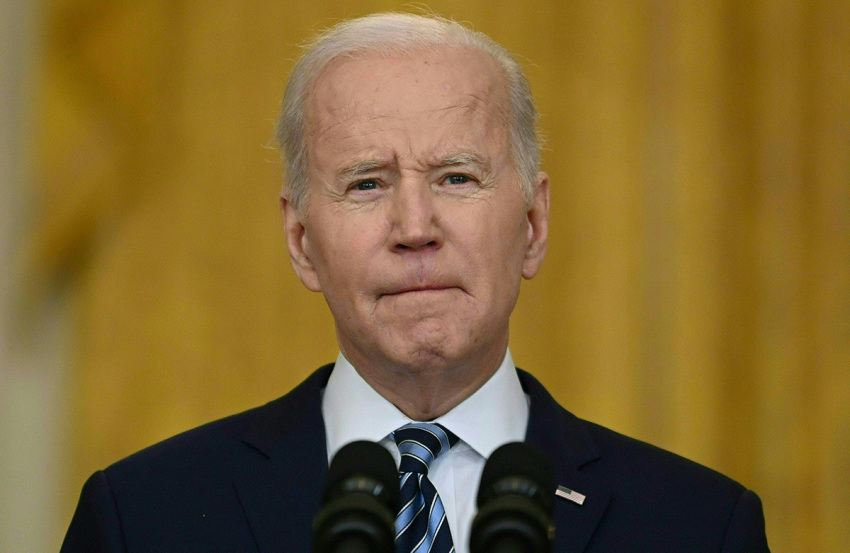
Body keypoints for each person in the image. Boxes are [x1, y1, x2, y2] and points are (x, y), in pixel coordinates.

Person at [61, 12, 770, 553]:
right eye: (367, 184)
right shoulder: (145, 517)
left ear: (532, 224)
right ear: (301, 242)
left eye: (456, 177)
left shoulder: (697, 526)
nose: (415, 226)